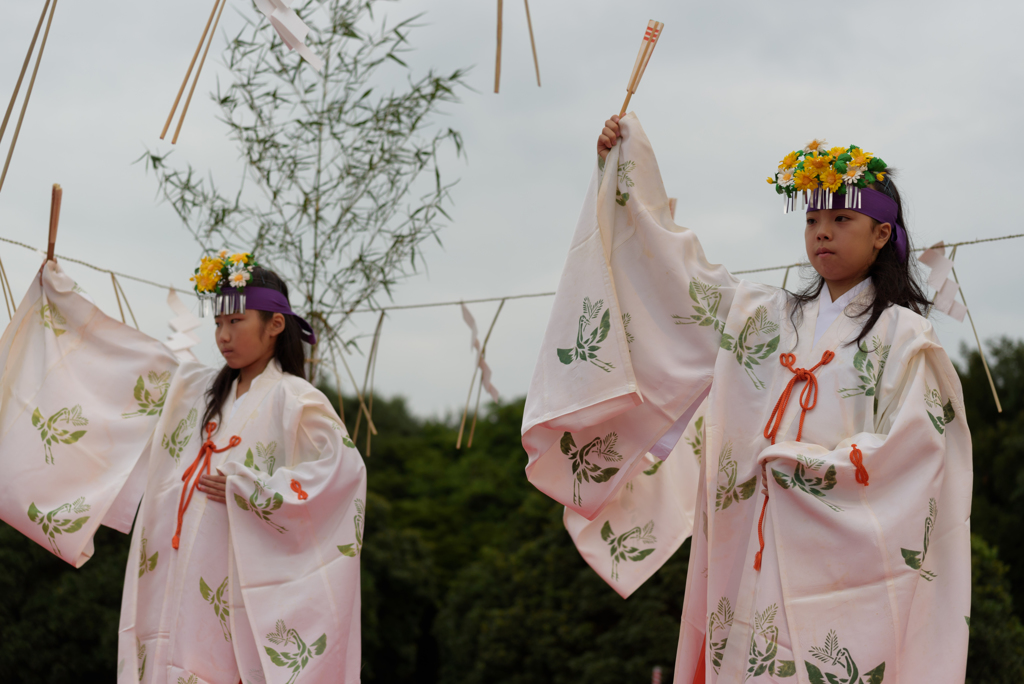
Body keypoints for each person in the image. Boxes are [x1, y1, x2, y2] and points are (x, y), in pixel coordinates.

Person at [521, 113, 972, 683]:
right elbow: (679, 276)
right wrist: (625, 172)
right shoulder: (763, 320)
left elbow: (916, 456)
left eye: (841, 218)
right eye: (812, 220)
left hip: (842, 570)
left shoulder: (905, 338)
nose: (822, 232)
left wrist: (807, 469)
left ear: (882, 234)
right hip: (754, 549)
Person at [0, 253, 365, 683]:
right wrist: (62, 297)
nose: (223, 336)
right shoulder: (195, 390)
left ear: (275, 325)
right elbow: (120, 360)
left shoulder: (297, 400)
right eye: (217, 324)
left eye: (236, 322)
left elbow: (343, 473)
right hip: (170, 567)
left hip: (232, 573)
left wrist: (254, 488)